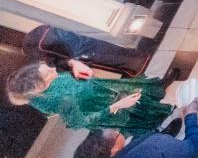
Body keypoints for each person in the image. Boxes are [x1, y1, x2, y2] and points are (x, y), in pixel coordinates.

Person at [5, 61, 169, 136]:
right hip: (103, 106)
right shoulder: (58, 100)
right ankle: (167, 124)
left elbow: (60, 65)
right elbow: (78, 122)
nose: (53, 69)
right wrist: (116, 106)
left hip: (100, 89)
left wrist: (74, 63)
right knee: (143, 114)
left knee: (139, 91)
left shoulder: (48, 80)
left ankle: (159, 89)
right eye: (48, 72)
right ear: (38, 87)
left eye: (47, 68)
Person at [76, 97, 198, 158]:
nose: (119, 131)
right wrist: (190, 116)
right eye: (116, 133)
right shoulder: (156, 147)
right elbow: (193, 149)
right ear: (113, 151)